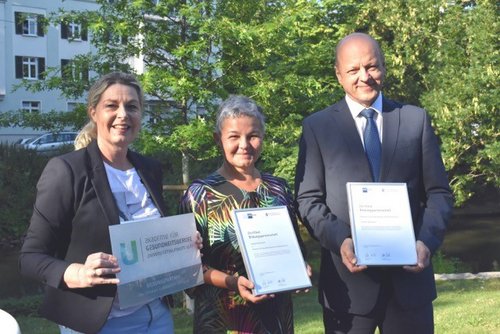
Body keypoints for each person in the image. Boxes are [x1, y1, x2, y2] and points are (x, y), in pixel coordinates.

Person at [294, 33, 454, 334]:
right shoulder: (317, 127)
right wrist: (341, 239)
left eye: (372, 66)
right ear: (339, 74)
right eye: (353, 70)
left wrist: (425, 242)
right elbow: (308, 200)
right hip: (348, 290)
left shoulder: (414, 120)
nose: (364, 77)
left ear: (383, 67)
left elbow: (439, 194)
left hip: (410, 286)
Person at [19, 72, 200, 334]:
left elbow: (149, 242)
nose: (123, 114)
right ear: (93, 112)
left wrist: (182, 245)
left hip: (156, 317)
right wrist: (77, 272)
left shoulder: (150, 169)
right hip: (98, 322)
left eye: (132, 106)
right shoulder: (66, 170)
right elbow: (29, 258)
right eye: (112, 106)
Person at [179, 95, 310, 333]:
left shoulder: (278, 188)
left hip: (275, 318)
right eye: (234, 137)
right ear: (218, 140)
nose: (244, 144)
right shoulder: (199, 195)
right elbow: (188, 267)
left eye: (253, 135)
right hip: (224, 320)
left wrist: (300, 268)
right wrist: (232, 282)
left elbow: (294, 248)